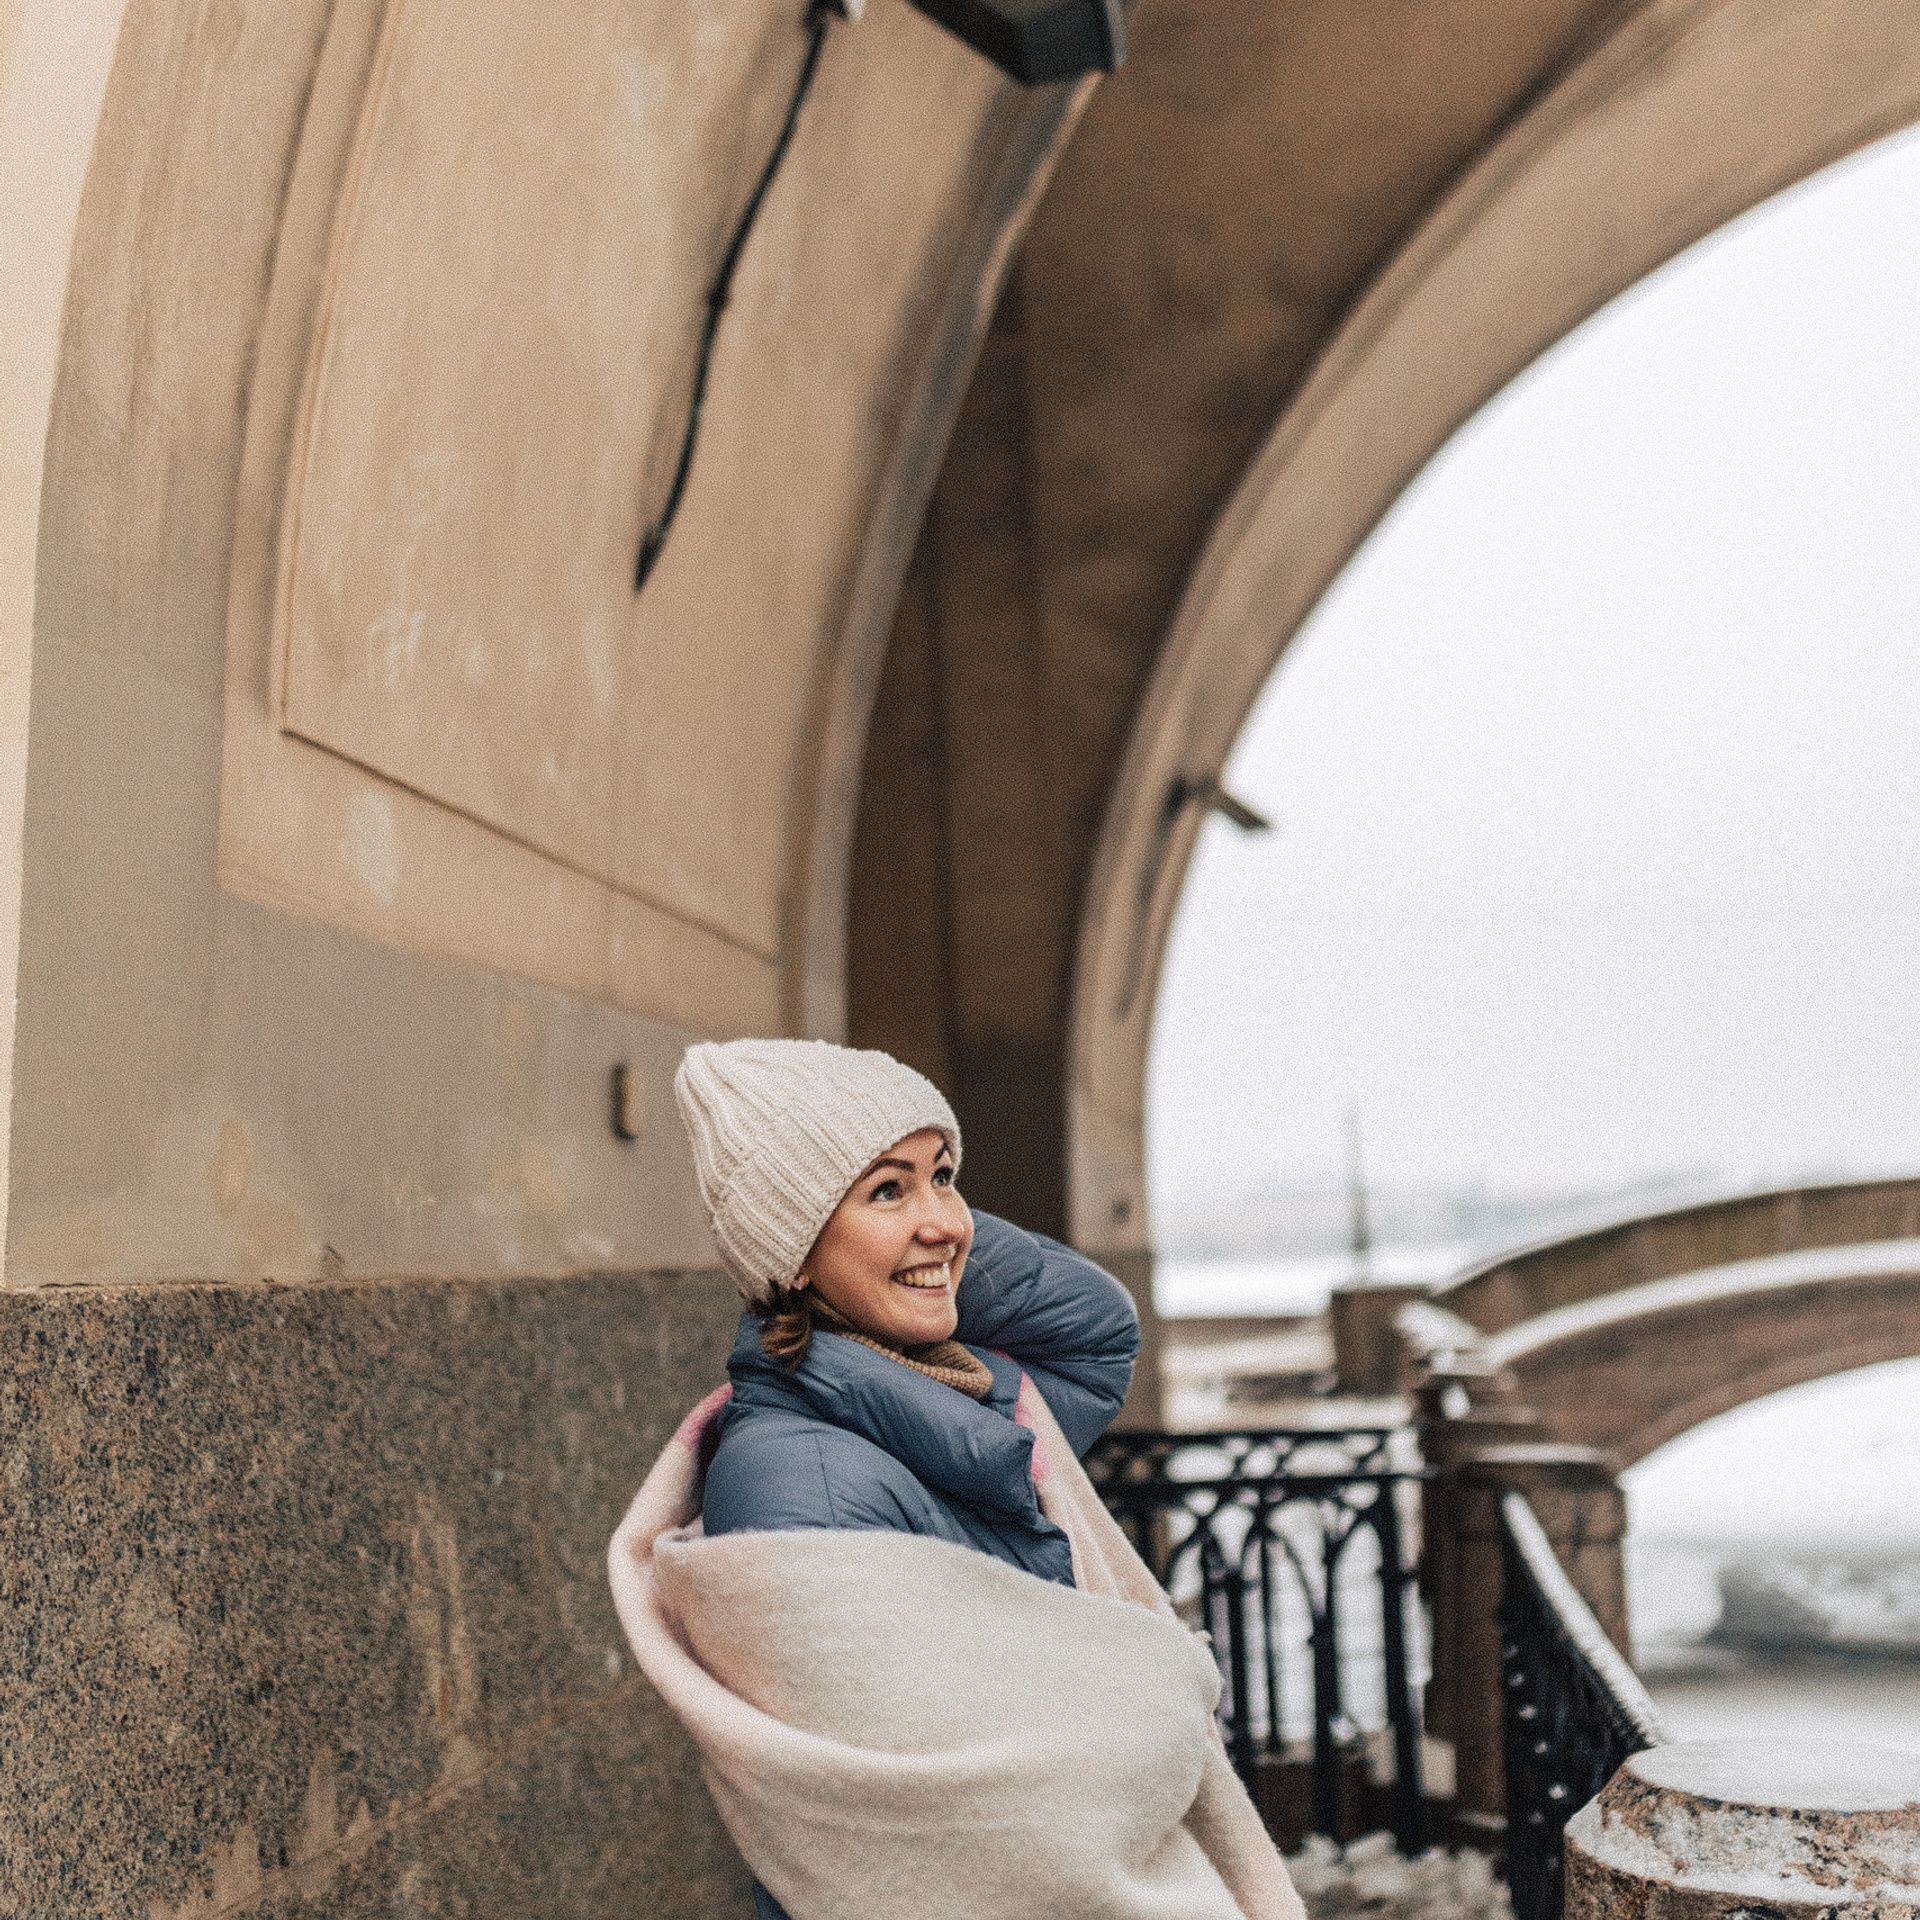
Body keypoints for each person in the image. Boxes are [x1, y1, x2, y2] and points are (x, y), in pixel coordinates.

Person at [611, 1037, 1303, 1920]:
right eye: (886, 1189)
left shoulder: (957, 1397)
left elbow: (1093, 1333)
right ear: (791, 1246)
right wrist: (1155, 1708)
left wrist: (904, 1246)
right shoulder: (799, 1483)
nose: (945, 1218)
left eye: (944, 1174)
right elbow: (933, 1842)